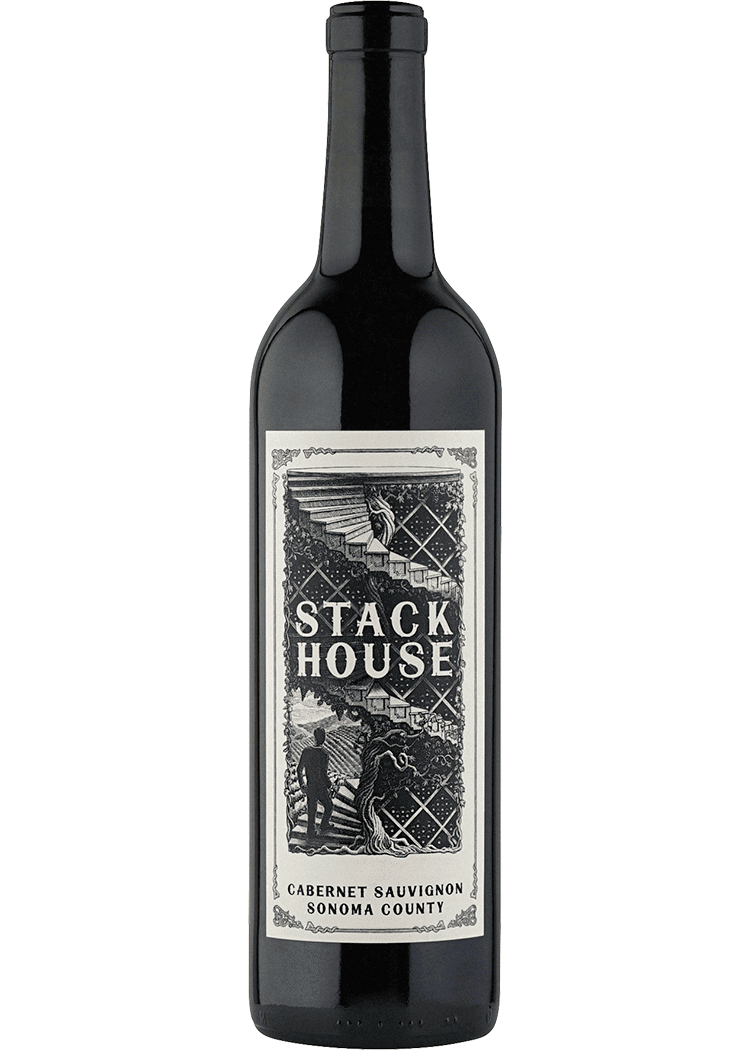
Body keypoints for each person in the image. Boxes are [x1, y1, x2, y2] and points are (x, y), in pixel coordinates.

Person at [297, 727, 334, 839]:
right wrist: (330, 785)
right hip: (321, 787)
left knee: (311, 811)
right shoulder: (324, 753)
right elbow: (323, 774)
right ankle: (324, 825)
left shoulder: (306, 751)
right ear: (324, 738)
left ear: (314, 737)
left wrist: (302, 784)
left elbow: (299, 769)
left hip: (310, 786)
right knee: (329, 806)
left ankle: (311, 833)